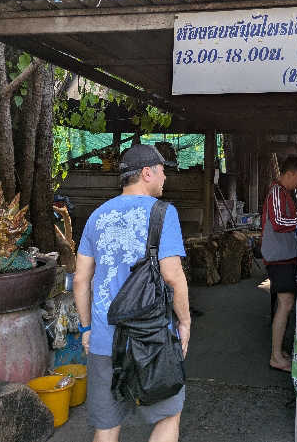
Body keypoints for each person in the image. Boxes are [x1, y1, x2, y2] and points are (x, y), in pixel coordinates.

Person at [74, 144, 191, 442]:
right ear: (146, 173)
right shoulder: (164, 213)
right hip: (151, 339)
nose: (165, 178)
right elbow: (173, 275)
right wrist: (185, 323)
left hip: (103, 339)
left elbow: (80, 279)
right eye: (163, 171)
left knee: (107, 425)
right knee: (168, 414)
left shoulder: (96, 216)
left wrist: (86, 328)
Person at [261, 155, 297, 372]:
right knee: (285, 303)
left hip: (286, 256)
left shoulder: (285, 194)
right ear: (290, 173)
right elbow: (279, 223)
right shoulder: (276, 192)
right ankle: (276, 356)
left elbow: (287, 220)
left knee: (286, 302)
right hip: (278, 258)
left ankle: (278, 352)